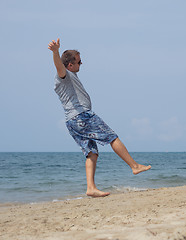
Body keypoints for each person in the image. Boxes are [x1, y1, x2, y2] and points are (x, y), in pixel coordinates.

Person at [48, 38, 151, 197]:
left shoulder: (70, 76)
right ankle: (134, 166)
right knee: (112, 137)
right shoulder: (64, 74)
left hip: (71, 121)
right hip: (82, 117)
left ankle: (91, 188)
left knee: (91, 152)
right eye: (79, 62)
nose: (81, 64)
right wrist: (55, 52)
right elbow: (59, 67)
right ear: (70, 65)